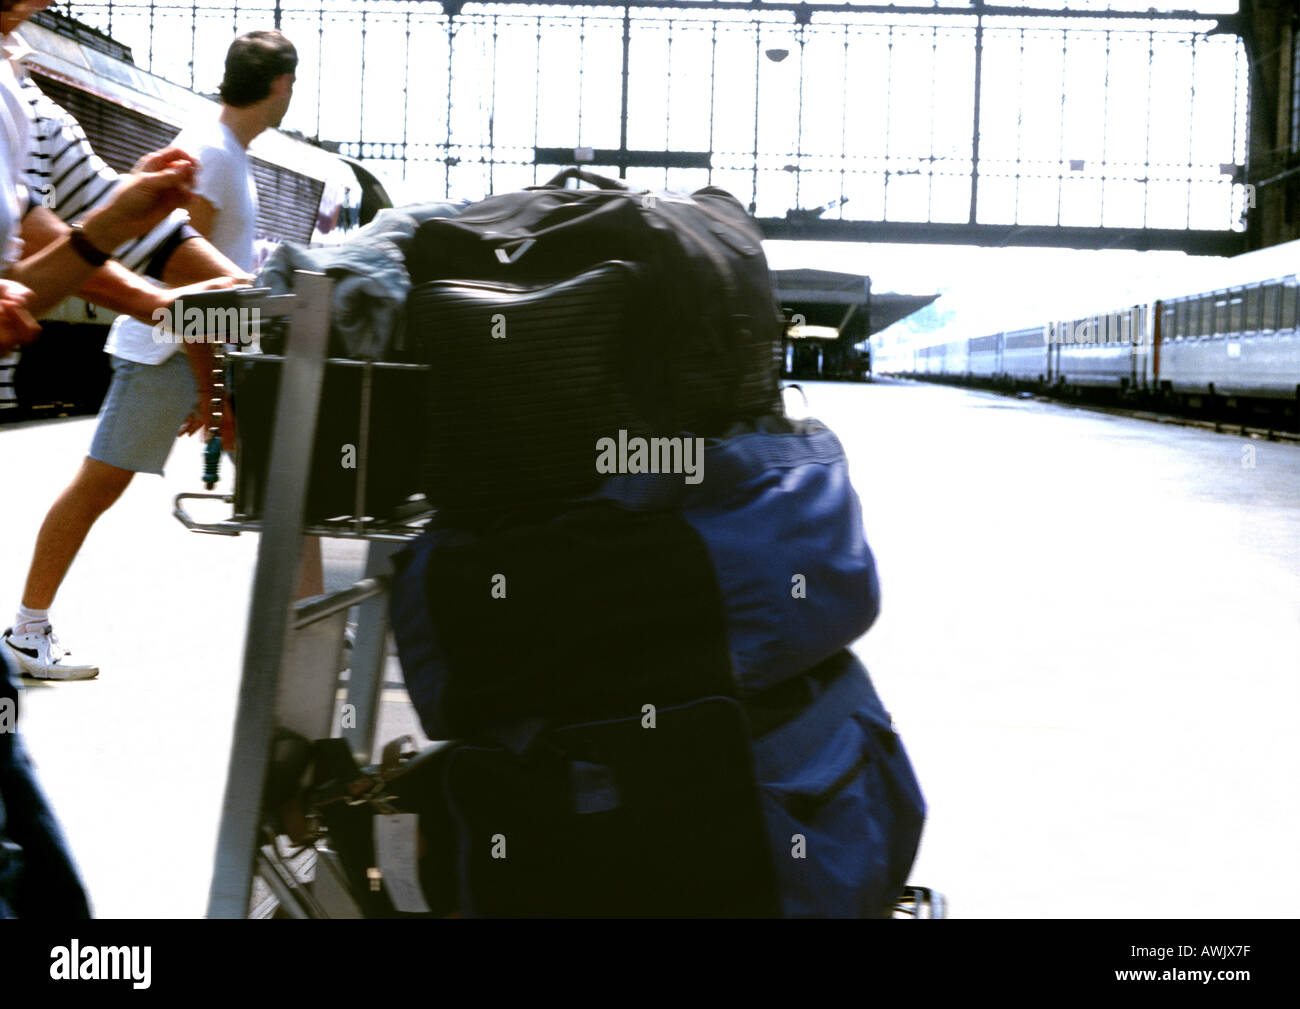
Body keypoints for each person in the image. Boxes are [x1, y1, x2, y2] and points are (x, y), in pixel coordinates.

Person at [3, 27, 300, 680]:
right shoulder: (211, 151)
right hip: (164, 355)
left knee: (287, 492)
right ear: (281, 85)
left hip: (187, 346)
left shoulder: (223, 150)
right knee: (97, 487)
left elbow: (155, 255)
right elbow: (171, 268)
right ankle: (27, 627)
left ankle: (300, 645)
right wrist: (213, 381)